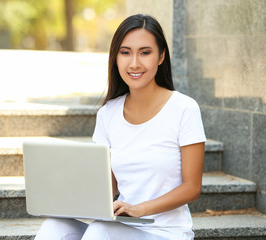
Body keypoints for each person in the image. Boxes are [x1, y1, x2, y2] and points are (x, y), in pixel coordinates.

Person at [34, 14, 206, 240]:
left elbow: (192, 188)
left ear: (161, 56)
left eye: (145, 52)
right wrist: (64, 194)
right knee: (54, 226)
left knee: (99, 231)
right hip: (120, 226)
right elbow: (105, 186)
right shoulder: (108, 114)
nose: (134, 63)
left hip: (165, 233)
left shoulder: (184, 108)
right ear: (116, 57)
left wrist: (140, 209)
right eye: (125, 52)